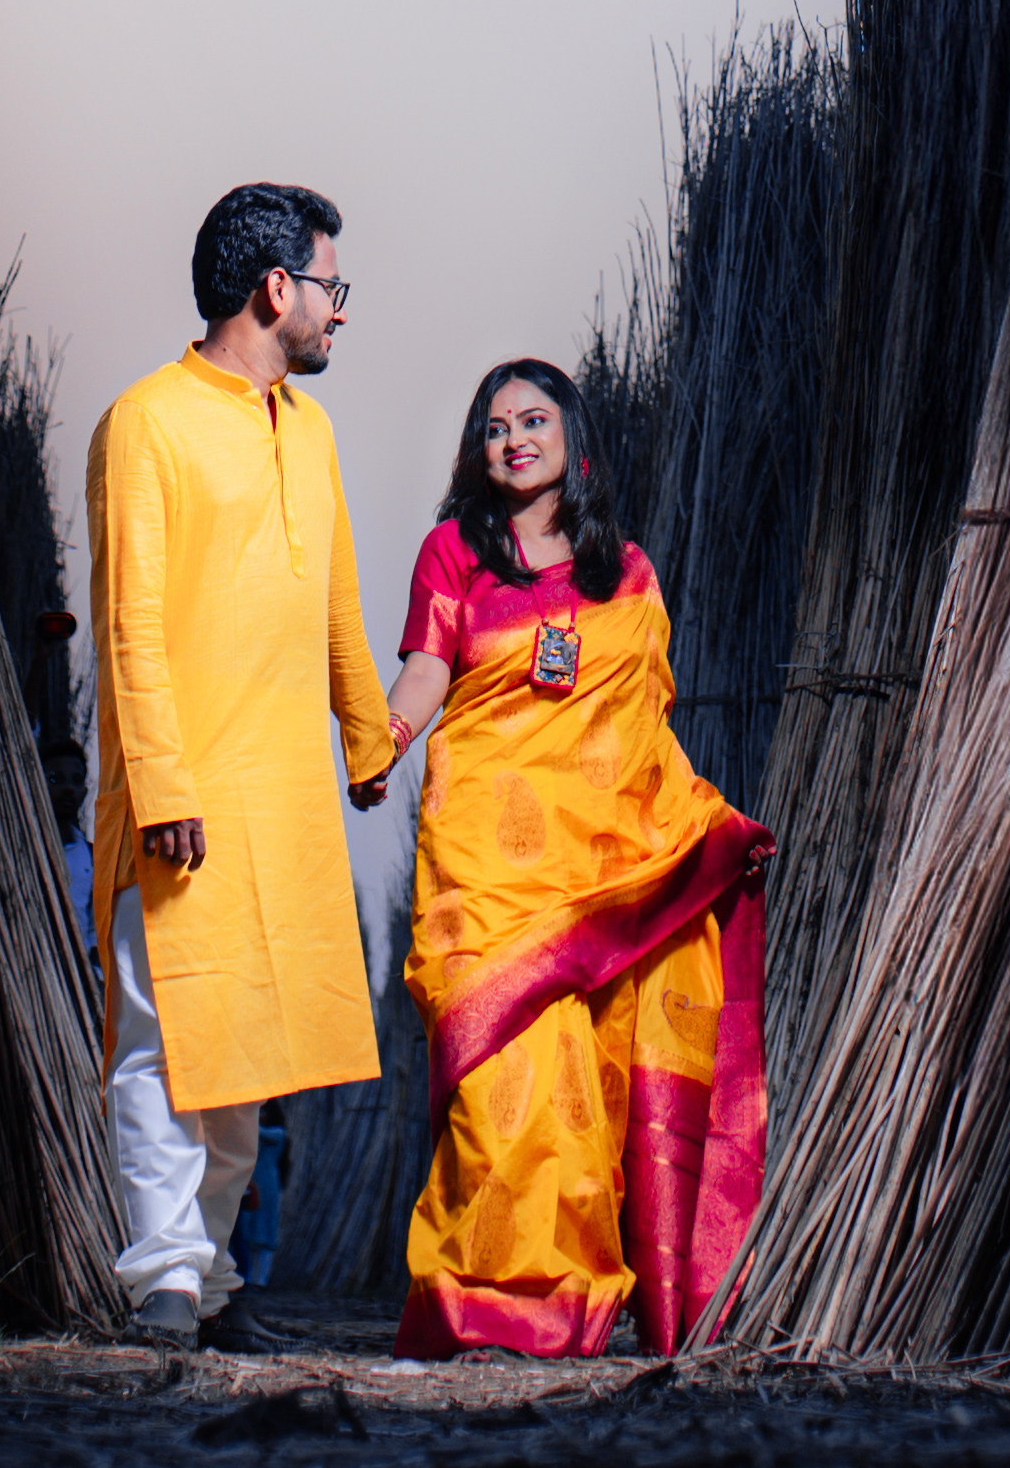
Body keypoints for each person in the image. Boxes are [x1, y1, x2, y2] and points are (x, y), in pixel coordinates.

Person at [381, 358, 771, 1359]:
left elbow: (643, 723)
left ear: (571, 436)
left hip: (596, 868)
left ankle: (576, 1302)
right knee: (500, 1082)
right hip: (487, 860)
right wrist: (380, 741)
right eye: (496, 425)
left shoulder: (623, 572)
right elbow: (427, 670)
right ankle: (484, 1296)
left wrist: (694, 832)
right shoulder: (453, 553)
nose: (514, 438)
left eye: (534, 419)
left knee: (586, 1089)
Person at [84, 183, 398, 1351]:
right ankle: (162, 1279)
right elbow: (129, 624)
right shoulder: (146, 421)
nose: (339, 314)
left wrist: (367, 741)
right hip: (186, 798)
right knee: (168, 1046)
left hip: (283, 803)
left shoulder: (308, 432)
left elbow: (335, 607)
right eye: (332, 287)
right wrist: (163, 786)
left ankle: (209, 1287)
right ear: (278, 289)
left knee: (244, 1063)